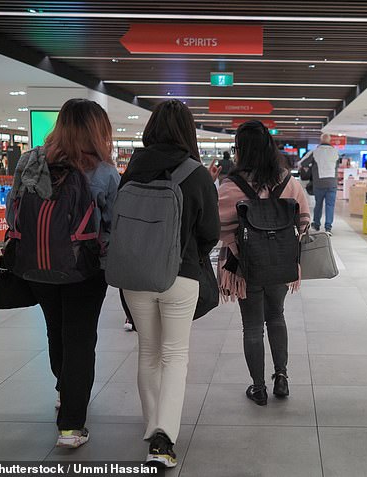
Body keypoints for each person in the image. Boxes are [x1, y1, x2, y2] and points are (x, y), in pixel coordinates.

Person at [6, 98, 120, 448]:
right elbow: (112, 226)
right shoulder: (103, 172)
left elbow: (13, 216)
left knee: (55, 329)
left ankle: (65, 390)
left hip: (36, 267)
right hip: (85, 270)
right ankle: (71, 424)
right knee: (81, 337)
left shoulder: (29, 162)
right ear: (98, 131)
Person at [118, 100, 220, 468]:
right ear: (188, 131)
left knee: (149, 350)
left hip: (135, 275)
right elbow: (209, 231)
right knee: (175, 355)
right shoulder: (196, 173)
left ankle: (151, 424)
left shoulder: (132, 169)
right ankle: (164, 439)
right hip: (181, 274)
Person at [218, 120, 310, 406]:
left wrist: (236, 243)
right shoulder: (288, 181)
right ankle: (281, 377)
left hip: (245, 268)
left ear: (240, 150)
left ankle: (258, 388)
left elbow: (213, 224)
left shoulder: (231, 186)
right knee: (277, 317)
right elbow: (304, 219)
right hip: (282, 265)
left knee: (252, 326)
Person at [299, 133, 339, 234]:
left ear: (320, 140)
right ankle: (328, 227)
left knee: (318, 204)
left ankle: (316, 224)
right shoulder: (336, 152)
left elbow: (302, 163)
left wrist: (311, 166)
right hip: (332, 183)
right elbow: (337, 166)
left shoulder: (315, 151)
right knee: (330, 205)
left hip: (319, 183)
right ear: (330, 141)